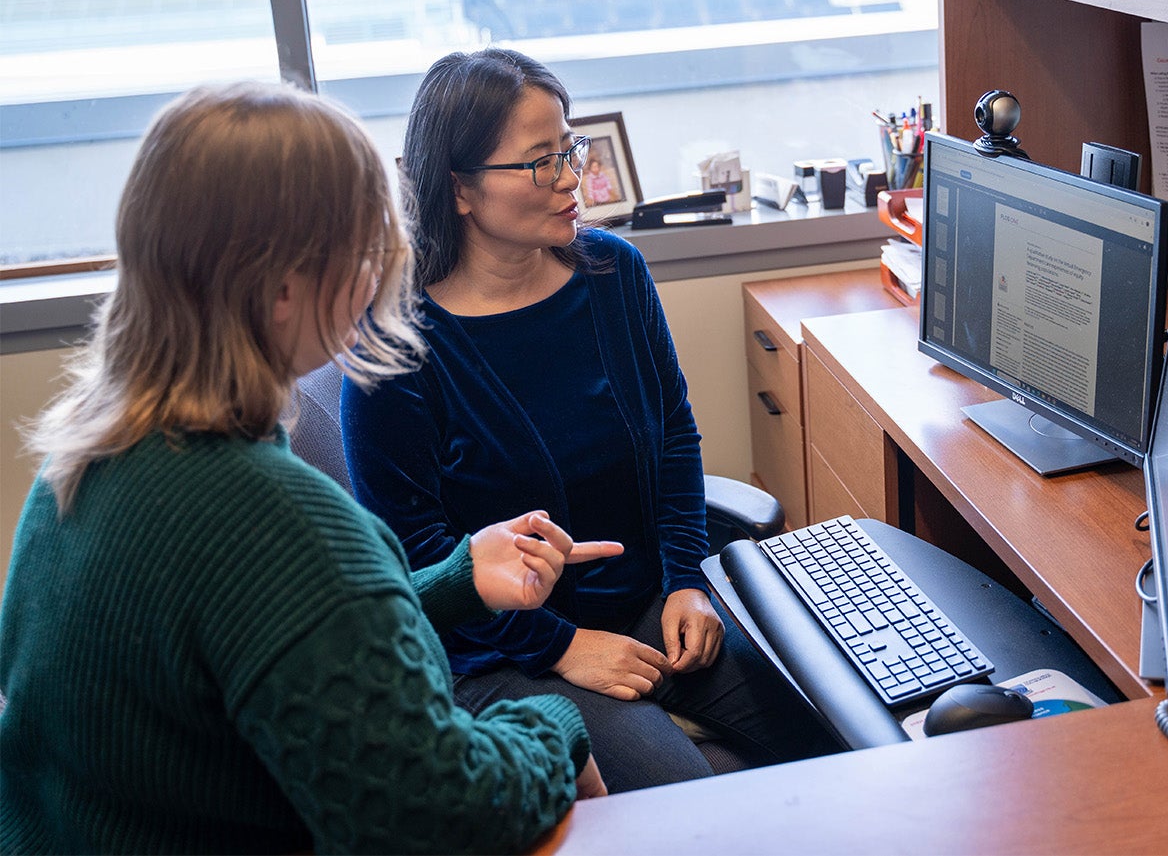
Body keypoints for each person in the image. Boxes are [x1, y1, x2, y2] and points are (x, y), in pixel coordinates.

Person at [0, 81, 616, 855]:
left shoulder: (87, 460)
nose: (378, 277)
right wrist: (554, 726)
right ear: (286, 286)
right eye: (366, 250)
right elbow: (443, 813)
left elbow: (266, 638)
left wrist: (454, 578)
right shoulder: (275, 521)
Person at [341, 48, 840, 794]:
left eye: (569, 148)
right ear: (461, 189)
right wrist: (564, 645)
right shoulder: (396, 349)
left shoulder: (613, 273)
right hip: (505, 655)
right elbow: (419, 562)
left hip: (652, 607)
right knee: (680, 808)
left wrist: (685, 581)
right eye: (542, 162)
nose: (573, 177)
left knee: (844, 735)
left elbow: (674, 439)